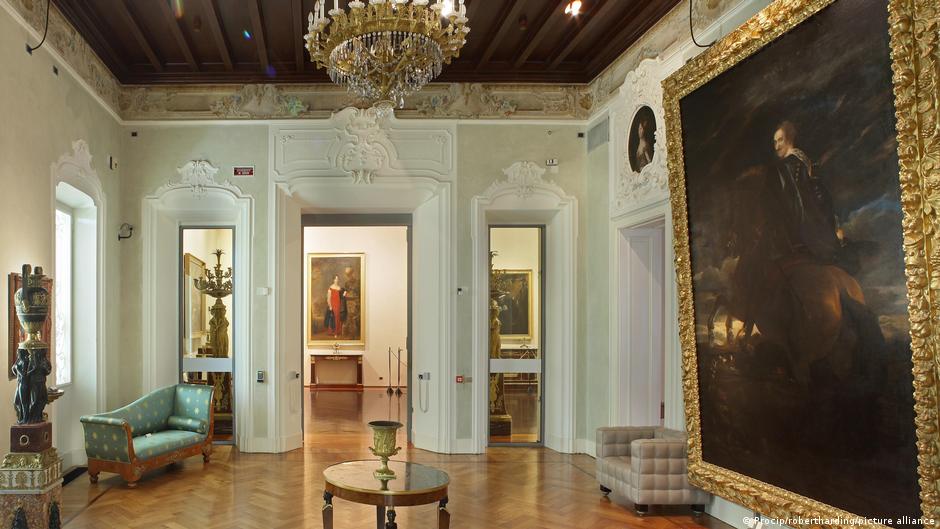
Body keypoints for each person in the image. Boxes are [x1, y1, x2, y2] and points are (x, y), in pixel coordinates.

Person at [770, 121, 842, 264]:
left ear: (789, 139)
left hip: (806, 231)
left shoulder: (788, 165)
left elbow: (795, 202)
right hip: (820, 225)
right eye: (775, 142)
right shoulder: (803, 160)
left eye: (780, 140)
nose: (777, 146)